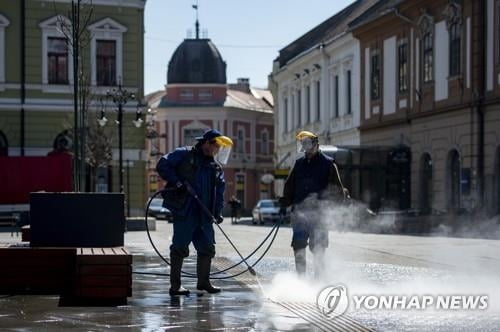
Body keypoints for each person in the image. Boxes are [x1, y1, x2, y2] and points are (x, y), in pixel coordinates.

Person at [156, 129, 233, 296]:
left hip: (204, 215)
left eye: (220, 148)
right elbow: (162, 164)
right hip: (186, 210)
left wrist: (217, 212)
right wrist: (177, 183)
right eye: (216, 147)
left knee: (207, 248)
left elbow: (219, 192)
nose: (217, 151)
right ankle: (175, 286)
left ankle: (203, 282)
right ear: (206, 143)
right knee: (180, 248)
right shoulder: (184, 155)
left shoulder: (215, 167)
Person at [279, 131, 349, 278]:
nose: (305, 148)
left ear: (316, 144)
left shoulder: (328, 164)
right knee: (298, 245)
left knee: (318, 248)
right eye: (303, 144)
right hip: (300, 213)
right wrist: (285, 202)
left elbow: (337, 189)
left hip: (320, 215)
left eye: (307, 144)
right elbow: (290, 185)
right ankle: (301, 279)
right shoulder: (299, 164)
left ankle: (319, 279)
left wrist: (337, 210)